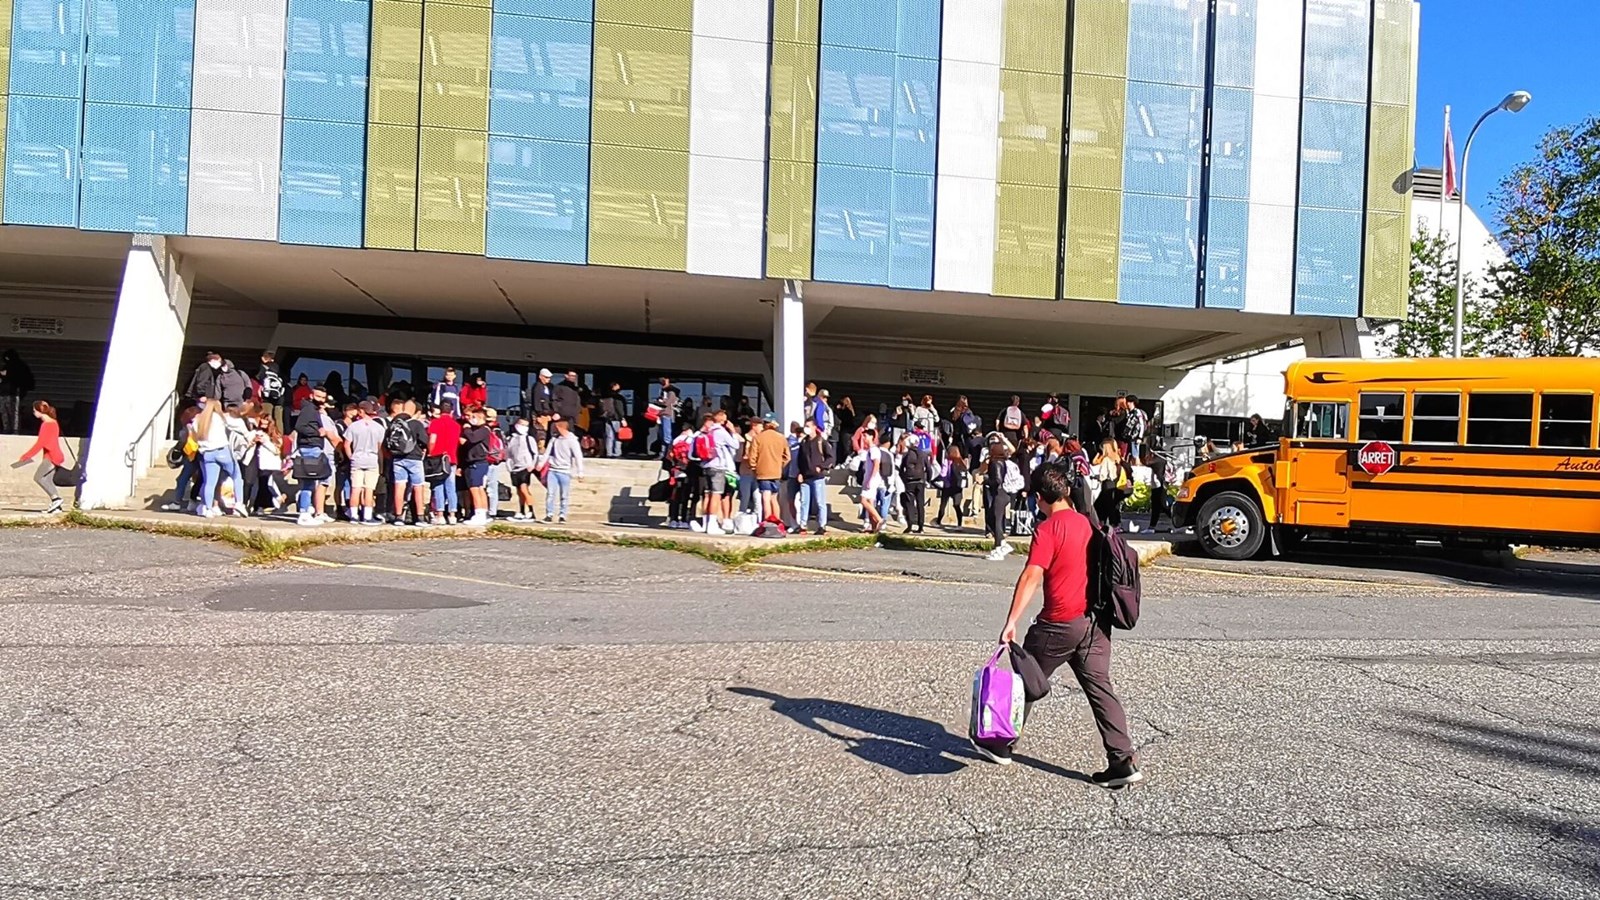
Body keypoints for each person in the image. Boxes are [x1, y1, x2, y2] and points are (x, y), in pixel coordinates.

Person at [989, 463, 1143, 787]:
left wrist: (1011, 621)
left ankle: (1001, 742)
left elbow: (1032, 574)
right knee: (1101, 689)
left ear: (1038, 498)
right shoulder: (1089, 523)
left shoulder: (1048, 529)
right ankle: (1122, 761)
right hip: (1095, 624)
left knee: (1024, 678)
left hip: (1059, 623)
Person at [192, 399, 245, 518]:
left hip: (207, 453)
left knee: (209, 483)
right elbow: (234, 425)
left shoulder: (198, 419)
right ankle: (239, 503)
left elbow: (194, 436)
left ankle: (208, 508)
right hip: (222, 450)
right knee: (237, 476)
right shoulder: (219, 418)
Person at [293, 385, 338, 525]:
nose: (320, 400)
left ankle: (308, 510)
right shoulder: (308, 409)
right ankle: (304, 513)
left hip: (314, 447)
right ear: (312, 395)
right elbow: (300, 426)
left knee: (313, 481)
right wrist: (318, 432)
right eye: (318, 396)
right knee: (309, 482)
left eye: (323, 398)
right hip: (310, 447)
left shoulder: (314, 410)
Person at [691, 411, 740, 534]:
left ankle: (705, 522)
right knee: (716, 495)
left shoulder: (705, 432)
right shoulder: (721, 432)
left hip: (705, 465)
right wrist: (733, 431)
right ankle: (712, 524)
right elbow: (735, 445)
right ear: (722, 421)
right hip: (718, 466)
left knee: (707, 495)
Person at [386, 397, 431, 527]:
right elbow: (424, 441)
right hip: (414, 459)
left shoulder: (394, 424)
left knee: (399, 486)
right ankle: (420, 517)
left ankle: (398, 516)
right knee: (418, 486)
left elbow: (386, 443)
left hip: (398, 459)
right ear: (414, 411)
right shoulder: (416, 424)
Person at [16, 400, 66, 513]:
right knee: (47, 479)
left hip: (51, 456)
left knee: (38, 478)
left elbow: (40, 443)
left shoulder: (47, 424)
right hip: (54, 455)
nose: (33, 413)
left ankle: (56, 499)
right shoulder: (53, 422)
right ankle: (56, 507)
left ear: (39, 411)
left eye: (34, 411)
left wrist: (26, 456)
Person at [343, 400, 386, 524]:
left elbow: (346, 444)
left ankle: (354, 515)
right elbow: (379, 447)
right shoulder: (378, 427)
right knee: (369, 489)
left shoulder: (353, 426)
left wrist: (351, 456)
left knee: (355, 488)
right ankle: (367, 516)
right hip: (372, 459)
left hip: (357, 458)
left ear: (361, 411)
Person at [747, 412, 791, 527]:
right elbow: (787, 457)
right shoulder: (781, 438)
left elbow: (752, 457)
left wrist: (754, 468)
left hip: (762, 472)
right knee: (774, 498)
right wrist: (780, 465)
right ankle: (777, 522)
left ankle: (767, 522)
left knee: (765, 498)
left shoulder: (758, 438)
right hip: (776, 472)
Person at [982, 435, 1021, 560]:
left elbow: (997, 480)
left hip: (999, 493)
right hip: (1005, 493)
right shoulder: (1004, 462)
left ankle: (999, 547)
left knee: (996, 521)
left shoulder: (995, 463)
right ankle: (1001, 544)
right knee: (995, 519)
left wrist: (986, 479)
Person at [794, 420, 833, 534]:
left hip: (817, 477)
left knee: (820, 502)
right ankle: (803, 525)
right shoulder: (804, 442)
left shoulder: (821, 441)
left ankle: (822, 525)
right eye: (805, 426)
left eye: (808, 426)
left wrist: (822, 467)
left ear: (814, 427)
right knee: (804, 502)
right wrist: (800, 472)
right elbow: (800, 459)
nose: (806, 428)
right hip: (805, 477)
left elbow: (830, 457)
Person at [425, 403, 462, 525]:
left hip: (438, 457)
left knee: (438, 486)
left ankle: (440, 515)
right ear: (451, 411)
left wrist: (430, 453)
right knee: (451, 487)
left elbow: (432, 440)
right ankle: (452, 515)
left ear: (439, 411)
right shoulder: (456, 425)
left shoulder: (435, 423)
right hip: (451, 458)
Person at [544, 415, 584, 523]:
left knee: (564, 495)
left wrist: (580, 472)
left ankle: (562, 515)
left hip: (565, 471)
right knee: (550, 493)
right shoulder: (554, 439)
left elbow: (578, 456)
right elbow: (547, 453)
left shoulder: (572, 440)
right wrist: (541, 463)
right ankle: (549, 514)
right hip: (553, 470)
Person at [505, 416, 544, 521]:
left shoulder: (529, 439)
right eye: (521, 424)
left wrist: (532, 465)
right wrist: (509, 466)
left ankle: (531, 511)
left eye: (526, 425)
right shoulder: (512, 439)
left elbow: (535, 453)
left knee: (524, 488)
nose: (523, 427)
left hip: (525, 467)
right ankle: (522, 511)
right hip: (515, 468)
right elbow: (508, 454)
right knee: (519, 491)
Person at [460, 406, 493, 525]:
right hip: (474, 462)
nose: (471, 419)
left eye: (474, 417)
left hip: (478, 462)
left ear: (480, 417)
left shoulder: (484, 430)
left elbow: (473, 438)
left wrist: (466, 429)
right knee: (479, 488)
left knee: (475, 488)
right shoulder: (477, 430)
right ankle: (483, 512)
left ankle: (479, 513)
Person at [856, 431, 892, 534]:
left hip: (872, 479)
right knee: (871, 502)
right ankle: (874, 525)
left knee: (863, 500)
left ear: (872, 437)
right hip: (869, 478)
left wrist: (870, 479)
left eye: (866, 436)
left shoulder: (874, 450)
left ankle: (879, 520)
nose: (864, 438)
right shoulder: (870, 450)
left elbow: (876, 464)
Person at [897, 433, 929, 534]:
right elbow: (929, 468)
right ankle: (921, 527)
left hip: (910, 481)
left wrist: (904, 478)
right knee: (920, 504)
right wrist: (927, 479)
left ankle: (910, 526)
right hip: (920, 481)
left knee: (909, 503)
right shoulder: (923, 454)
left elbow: (901, 469)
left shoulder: (906, 455)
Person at [0, 350, 36, 435]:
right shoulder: (8, 366)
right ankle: (7, 428)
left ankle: (14, 430)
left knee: (13, 412)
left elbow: (14, 376)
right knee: (5, 411)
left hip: (13, 393)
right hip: (4, 392)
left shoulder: (18, 366)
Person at [1092, 439, 1125, 530]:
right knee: (1112, 504)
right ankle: (1115, 523)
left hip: (1107, 483)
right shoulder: (1117, 457)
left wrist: (1098, 478)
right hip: (1115, 482)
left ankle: (1105, 522)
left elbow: (1103, 474)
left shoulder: (1106, 459)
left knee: (1102, 504)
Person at [933, 446, 968, 531]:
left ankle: (938, 522)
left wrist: (937, 480)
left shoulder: (947, 461)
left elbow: (943, 474)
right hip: (958, 488)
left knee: (943, 505)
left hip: (948, 486)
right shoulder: (961, 462)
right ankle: (960, 524)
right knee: (957, 506)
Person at [255, 351, 285, 430]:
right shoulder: (279, 368)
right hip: (279, 396)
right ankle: (279, 436)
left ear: (264, 358)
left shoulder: (264, 367)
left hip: (267, 397)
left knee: (267, 416)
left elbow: (258, 378)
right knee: (278, 418)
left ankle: (268, 434)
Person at [1144, 448, 1172, 533]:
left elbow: (1146, 462)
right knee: (1161, 506)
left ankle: (1151, 527)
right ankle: (1152, 527)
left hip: (1158, 485)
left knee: (1159, 506)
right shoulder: (1164, 460)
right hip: (1161, 484)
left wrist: (1149, 455)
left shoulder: (1157, 460)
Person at [598, 382, 626, 457]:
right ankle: (617, 452)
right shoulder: (618, 397)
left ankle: (609, 453)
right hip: (616, 418)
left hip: (607, 418)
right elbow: (619, 409)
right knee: (618, 436)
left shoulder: (605, 397)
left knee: (609, 436)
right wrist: (622, 418)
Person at [654, 377, 680, 457]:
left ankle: (668, 454)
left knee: (667, 436)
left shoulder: (671, 393)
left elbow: (667, 403)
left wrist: (660, 402)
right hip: (661, 415)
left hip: (667, 415)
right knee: (661, 435)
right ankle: (662, 453)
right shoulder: (663, 393)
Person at [1125, 396, 1149, 463]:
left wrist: (1140, 437)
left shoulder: (1137, 412)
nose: (1127, 404)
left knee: (1135, 454)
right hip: (1131, 437)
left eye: (1128, 402)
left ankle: (1137, 465)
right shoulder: (1130, 413)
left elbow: (1142, 424)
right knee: (1132, 454)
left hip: (1135, 436)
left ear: (1132, 402)